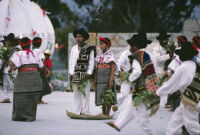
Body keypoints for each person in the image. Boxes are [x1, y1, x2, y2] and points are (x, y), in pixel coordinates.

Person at [107, 33, 160, 135]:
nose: (130, 48)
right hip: (150, 86)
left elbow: (137, 72)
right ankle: (119, 124)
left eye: (131, 45)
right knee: (130, 105)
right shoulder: (151, 55)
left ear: (135, 45)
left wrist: (129, 79)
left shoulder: (138, 56)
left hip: (141, 89)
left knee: (141, 117)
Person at [156, 41, 200, 135]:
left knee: (191, 125)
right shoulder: (196, 65)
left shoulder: (183, 67)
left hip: (190, 100)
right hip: (193, 98)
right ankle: (169, 133)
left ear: (181, 56)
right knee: (176, 119)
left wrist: (158, 92)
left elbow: (171, 85)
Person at [9, 37, 43, 121]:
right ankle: (30, 116)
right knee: (32, 96)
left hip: (23, 78)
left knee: (20, 94)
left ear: (20, 45)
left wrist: (9, 63)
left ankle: (19, 116)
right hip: (35, 78)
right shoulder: (36, 53)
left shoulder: (18, 54)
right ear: (30, 44)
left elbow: (13, 67)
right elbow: (41, 67)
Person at [69, 28, 95, 115]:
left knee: (86, 92)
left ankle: (85, 111)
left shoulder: (89, 48)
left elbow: (92, 61)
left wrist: (89, 72)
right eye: (77, 37)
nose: (78, 38)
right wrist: (70, 72)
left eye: (80, 37)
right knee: (76, 92)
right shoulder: (73, 48)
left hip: (85, 73)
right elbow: (71, 61)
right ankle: (78, 111)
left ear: (83, 38)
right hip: (75, 73)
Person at [94, 37, 117, 116]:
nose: (101, 46)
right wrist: (95, 78)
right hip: (100, 78)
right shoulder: (99, 55)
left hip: (107, 78)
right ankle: (103, 113)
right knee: (101, 95)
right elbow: (96, 67)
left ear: (107, 45)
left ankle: (107, 113)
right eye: (100, 44)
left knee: (108, 95)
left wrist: (111, 79)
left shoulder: (110, 55)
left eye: (102, 44)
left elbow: (113, 68)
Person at [0, 33, 19, 103]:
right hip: (5, 69)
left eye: (7, 41)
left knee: (12, 84)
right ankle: (5, 97)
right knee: (5, 85)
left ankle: (17, 97)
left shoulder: (14, 50)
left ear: (10, 41)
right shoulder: (6, 49)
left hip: (11, 70)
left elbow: (13, 61)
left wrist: (7, 61)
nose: (6, 42)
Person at [32, 37, 51, 104]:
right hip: (40, 70)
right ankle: (39, 100)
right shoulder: (40, 52)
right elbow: (41, 62)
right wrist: (47, 70)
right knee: (43, 85)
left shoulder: (31, 51)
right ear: (40, 44)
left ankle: (37, 99)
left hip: (32, 70)